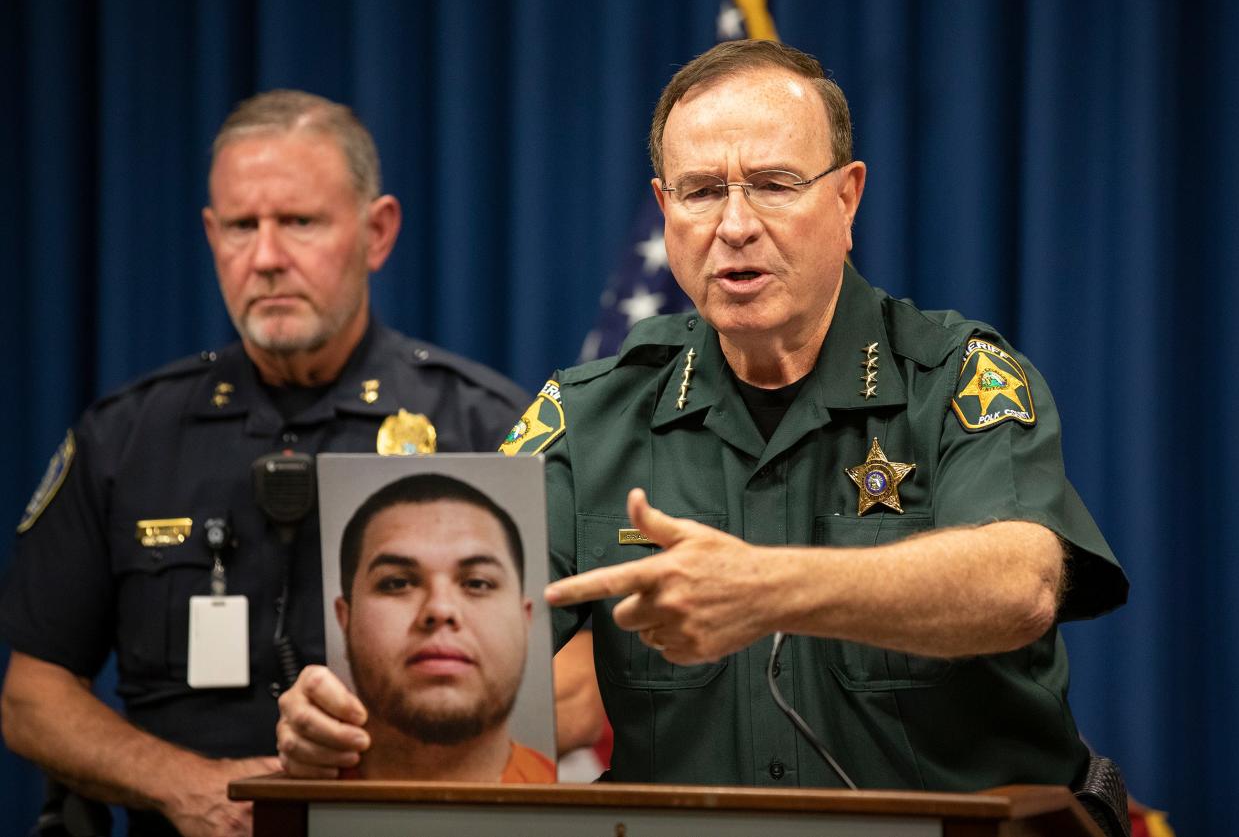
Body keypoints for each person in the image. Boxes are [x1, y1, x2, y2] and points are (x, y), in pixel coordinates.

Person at [275, 41, 1128, 796]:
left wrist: (769, 589)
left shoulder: (958, 377)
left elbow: (1020, 585)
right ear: (664, 208)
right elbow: (474, 623)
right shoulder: (589, 416)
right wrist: (352, 713)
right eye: (699, 192)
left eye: (774, 184)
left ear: (847, 199)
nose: (734, 226)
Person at [0, 90, 530, 836]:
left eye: (301, 223)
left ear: (377, 233)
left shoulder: (487, 428)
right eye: (243, 227)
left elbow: (573, 679)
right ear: (212, 236)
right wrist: (188, 786)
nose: (269, 258)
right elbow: (32, 694)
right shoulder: (127, 436)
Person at [331, 473, 554, 782]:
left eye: (477, 583)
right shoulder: (294, 807)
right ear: (345, 619)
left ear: (525, 619)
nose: (439, 609)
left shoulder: (577, 815)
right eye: (397, 583)